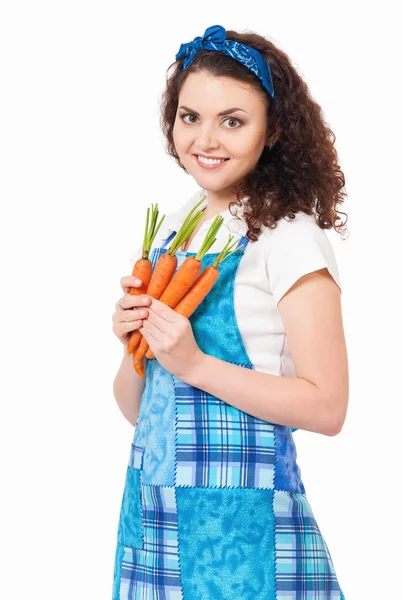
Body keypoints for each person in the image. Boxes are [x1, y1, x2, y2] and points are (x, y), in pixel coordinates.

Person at [111, 24, 348, 600]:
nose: (206, 139)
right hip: (154, 518)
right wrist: (135, 348)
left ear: (273, 131)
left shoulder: (289, 237)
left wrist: (193, 364)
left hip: (243, 539)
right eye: (190, 116)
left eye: (233, 120)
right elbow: (135, 409)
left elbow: (328, 406)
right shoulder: (179, 226)